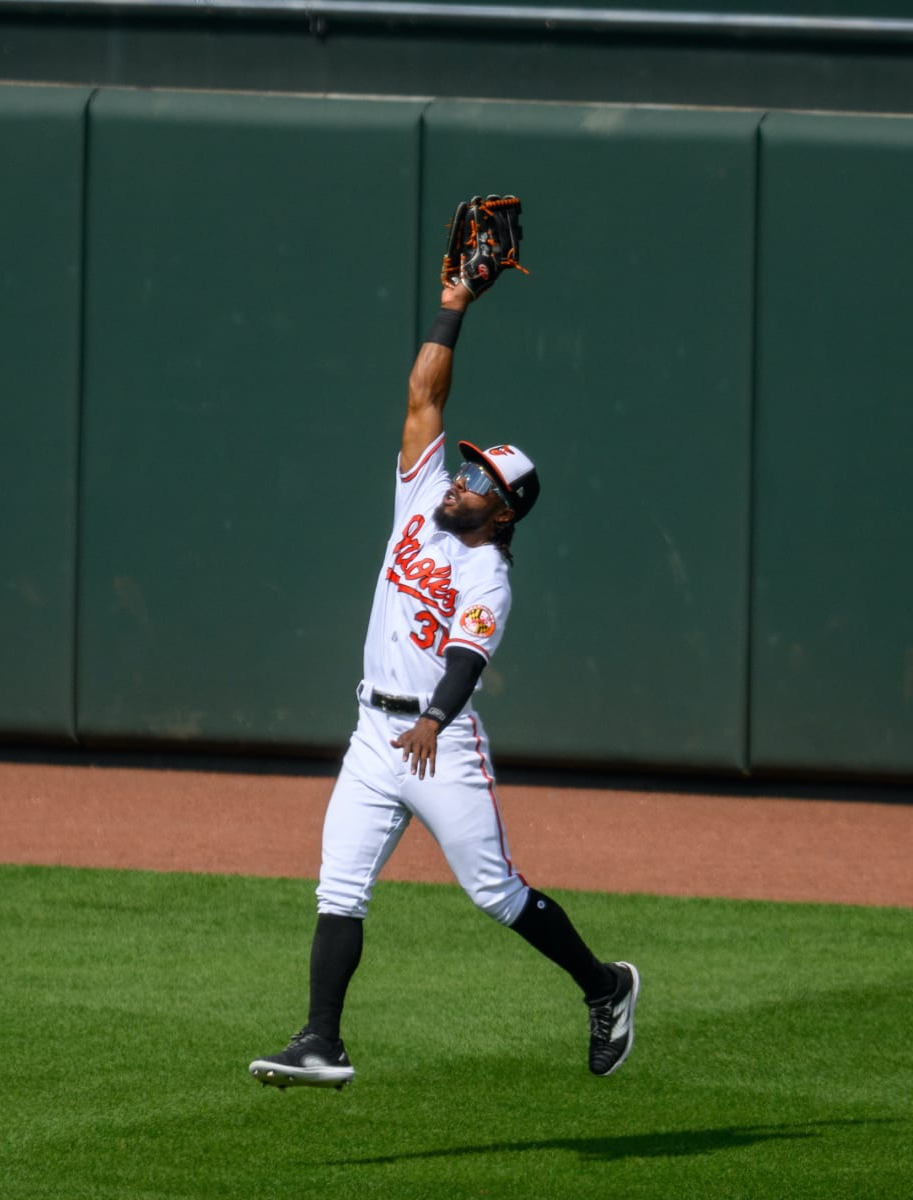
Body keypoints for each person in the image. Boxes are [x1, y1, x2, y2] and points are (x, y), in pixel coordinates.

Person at [248, 272, 639, 1090]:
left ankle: (605, 988)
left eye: (480, 482)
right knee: (340, 886)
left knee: (495, 891)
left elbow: (466, 661)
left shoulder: (489, 574)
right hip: (372, 734)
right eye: (465, 471)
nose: (461, 479)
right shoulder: (421, 495)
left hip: (441, 741)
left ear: (504, 512)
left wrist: (431, 719)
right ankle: (322, 1039)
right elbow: (424, 390)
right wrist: (455, 303)